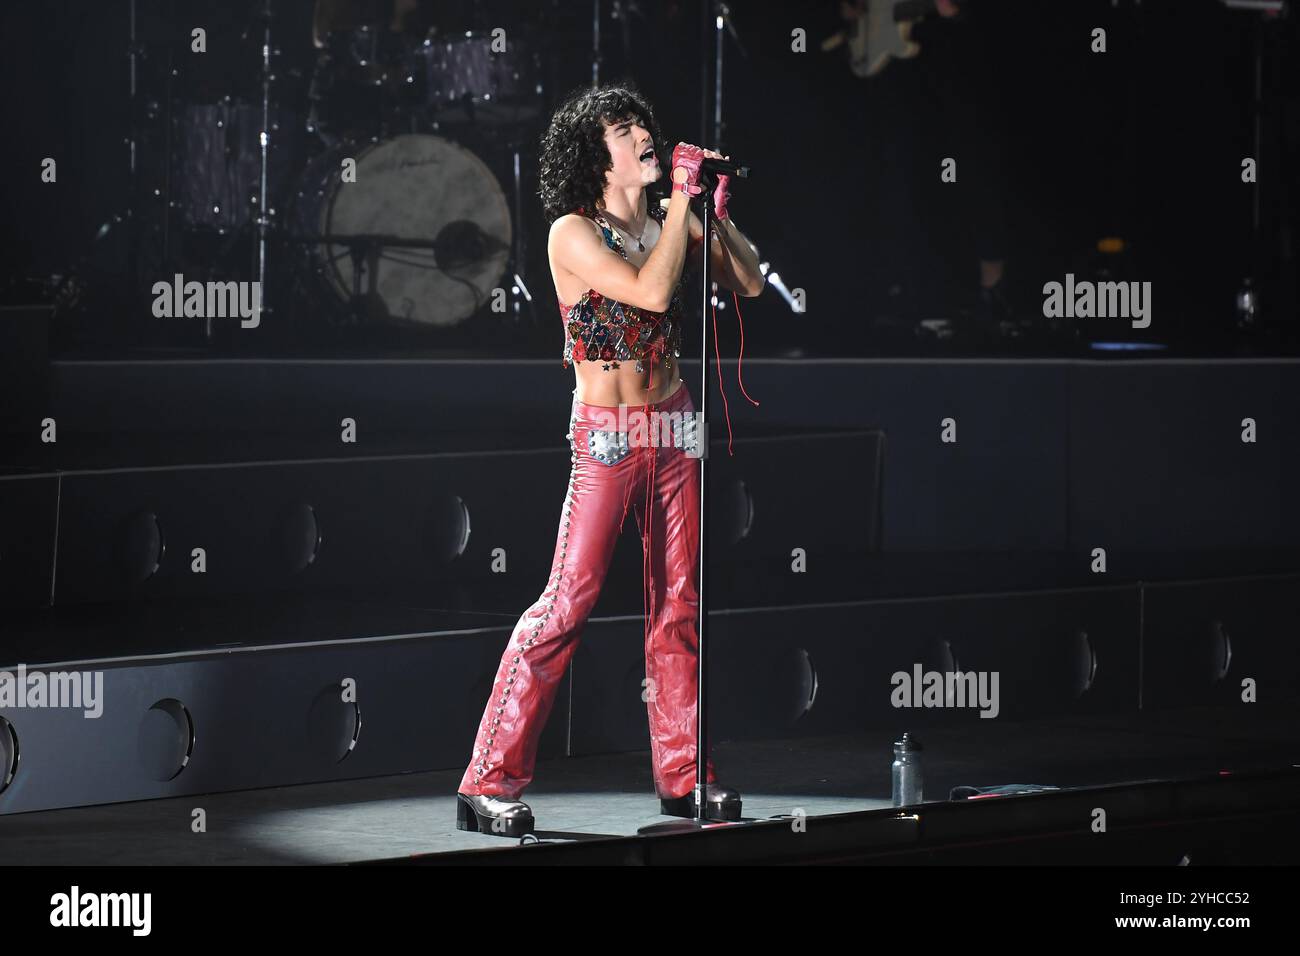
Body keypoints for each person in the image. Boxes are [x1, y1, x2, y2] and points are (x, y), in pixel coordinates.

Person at [455, 82, 764, 836]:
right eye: (625, 131)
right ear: (597, 157)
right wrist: (684, 211)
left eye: (642, 125)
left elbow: (750, 279)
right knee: (568, 602)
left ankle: (686, 776)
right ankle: (486, 781)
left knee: (679, 605)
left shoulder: (667, 220)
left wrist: (713, 216)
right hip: (609, 433)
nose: (644, 138)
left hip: (675, 422)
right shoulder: (572, 232)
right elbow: (651, 296)